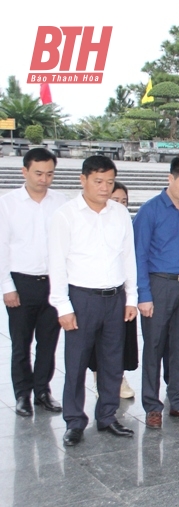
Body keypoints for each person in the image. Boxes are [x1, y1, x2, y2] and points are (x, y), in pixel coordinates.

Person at [48, 155, 138, 446]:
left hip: (115, 298)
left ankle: (108, 416)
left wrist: (131, 297)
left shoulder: (120, 213)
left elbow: (128, 257)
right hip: (81, 298)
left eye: (109, 182)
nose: (104, 187)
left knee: (112, 362)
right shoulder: (66, 215)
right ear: (83, 180)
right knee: (75, 362)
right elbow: (56, 263)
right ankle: (74, 421)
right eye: (98, 181)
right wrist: (62, 305)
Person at [134, 157, 179, 429]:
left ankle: (178, 401)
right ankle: (152, 406)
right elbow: (139, 255)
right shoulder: (150, 211)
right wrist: (143, 294)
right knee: (154, 346)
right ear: (171, 178)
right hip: (159, 285)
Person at [0, 148, 67, 417]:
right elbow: (1, 247)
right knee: (21, 343)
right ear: (24, 171)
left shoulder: (61, 202)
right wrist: (7, 286)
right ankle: (22, 395)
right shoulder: (7, 204)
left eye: (49, 173)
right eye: (38, 173)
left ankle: (42, 391)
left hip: (53, 282)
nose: (44, 179)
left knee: (48, 342)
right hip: (21, 282)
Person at [88, 182, 138, 400]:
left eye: (124, 202)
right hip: (94, 292)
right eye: (116, 201)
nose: (120, 205)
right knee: (97, 339)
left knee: (122, 340)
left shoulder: (128, 223)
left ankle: (119, 376)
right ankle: (100, 374)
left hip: (123, 291)